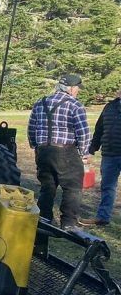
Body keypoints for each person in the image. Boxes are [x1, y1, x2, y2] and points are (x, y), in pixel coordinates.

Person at [27, 73, 91, 229]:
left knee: (47, 186)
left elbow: (31, 128)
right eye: (77, 88)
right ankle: (68, 223)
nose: (78, 91)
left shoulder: (40, 103)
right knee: (73, 188)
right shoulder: (75, 105)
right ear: (70, 88)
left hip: (43, 151)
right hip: (65, 152)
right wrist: (84, 153)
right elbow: (83, 132)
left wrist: (36, 146)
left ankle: (44, 220)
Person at [87, 85, 121, 227]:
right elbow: (99, 129)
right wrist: (92, 148)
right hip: (109, 154)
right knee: (107, 187)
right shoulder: (109, 107)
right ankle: (103, 217)